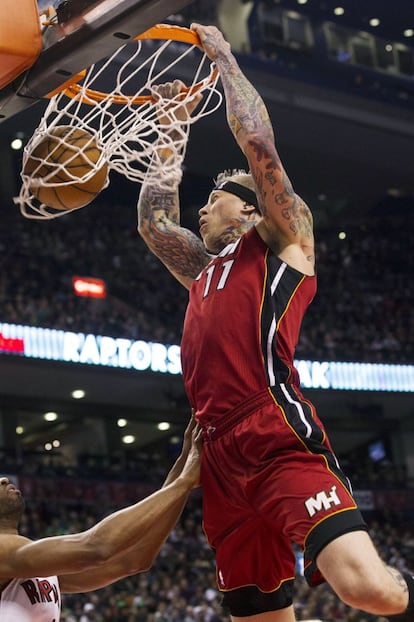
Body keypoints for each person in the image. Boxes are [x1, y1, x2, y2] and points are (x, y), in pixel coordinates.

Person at [137, 23, 414, 622]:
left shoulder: (283, 240)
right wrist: (169, 135)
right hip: (215, 451)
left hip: (272, 428)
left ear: (254, 207)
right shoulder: (206, 271)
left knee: (374, 595)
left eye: (219, 193)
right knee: (257, 617)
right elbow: (156, 227)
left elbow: (258, 140)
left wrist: (225, 59)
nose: (205, 203)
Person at [0, 417, 201, 621]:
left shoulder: (35, 567)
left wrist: (183, 463)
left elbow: (133, 560)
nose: (3, 479)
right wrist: (183, 483)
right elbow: (96, 547)